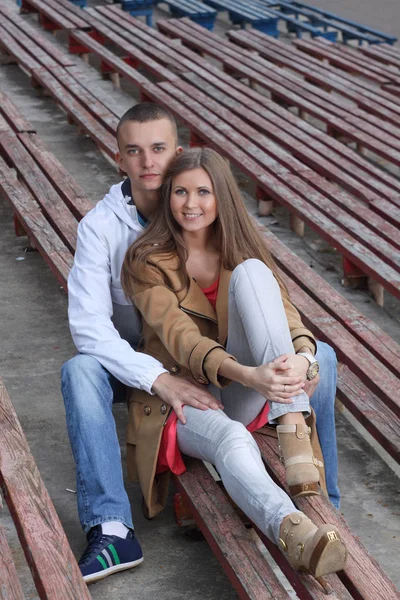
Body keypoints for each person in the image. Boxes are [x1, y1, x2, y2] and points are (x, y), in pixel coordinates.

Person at [61, 103, 339, 584]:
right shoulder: (118, 239)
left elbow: (283, 311)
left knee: (324, 357)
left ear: (178, 153)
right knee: (79, 369)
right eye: (134, 151)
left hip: (225, 374)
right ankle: (111, 528)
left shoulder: (236, 244)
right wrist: (160, 378)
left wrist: (302, 357)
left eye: (159, 150)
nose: (148, 162)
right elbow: (97, 329)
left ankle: (323, 496)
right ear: (119, 157)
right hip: (153, 369)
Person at [121, 146, 347, 579]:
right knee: (233, 442)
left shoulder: (242, 249)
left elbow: (288, 319)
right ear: (167, 197)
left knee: (253, 275)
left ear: (222, 196)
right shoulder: (147, 259)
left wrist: (303, 358)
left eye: (203, 192)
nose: (191, 204)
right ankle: (291, 528)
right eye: (180, 192)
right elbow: (180, 338)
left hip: (247, 389)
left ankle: (293, 427)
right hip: (180, 397)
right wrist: (251, 375)